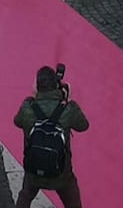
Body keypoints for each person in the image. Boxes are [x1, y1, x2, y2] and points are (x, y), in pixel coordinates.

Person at [13, 65, 90, 208]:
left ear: (37, 86)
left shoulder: (27, 107)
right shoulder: (68, 109)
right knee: (73, 203)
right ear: (56, 86)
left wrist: (32, 99)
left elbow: (17, 122)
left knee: (25, 195)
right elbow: (84, 125)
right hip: (61, 174)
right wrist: (68, 101)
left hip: (34, 171)